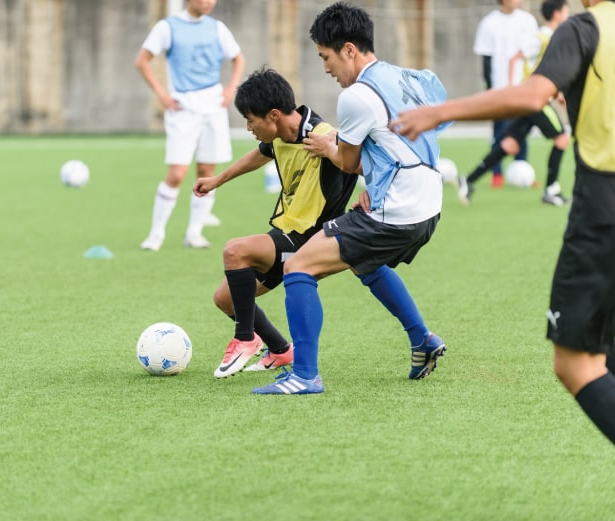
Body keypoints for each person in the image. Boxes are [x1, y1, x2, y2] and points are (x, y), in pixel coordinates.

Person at [391, 0, 615, 521]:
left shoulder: (583, 28)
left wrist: (441, 110)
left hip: (607, 214)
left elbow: (535, 94)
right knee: (602, 346)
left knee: (575, 362)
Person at [251, 2, 450, 395]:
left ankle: (304, 376)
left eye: (326, 57)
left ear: (349, 50)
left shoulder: (357, 96)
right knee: (363, 261)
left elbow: (348, 161)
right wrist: (377, 185)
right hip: (428, 203)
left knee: (299, 266)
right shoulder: (404, 76)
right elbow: (424, 129)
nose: (326, 68)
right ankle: (422, 339)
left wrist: (328, 146)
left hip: (399, 209)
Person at [193, 67, 359, 378]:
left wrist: (368, 198)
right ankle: (281, 351)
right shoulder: (282, 133)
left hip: (310, 240)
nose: (248, 127)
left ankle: (244, 339)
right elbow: (260, 154)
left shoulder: (323, 137)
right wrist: (218, 179)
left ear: (272, 115)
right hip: (284, 234)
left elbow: (358, 163)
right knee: (225, 299)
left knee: (235, 251)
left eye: (250, 120)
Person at [135, 0, 245, 251]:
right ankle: (156, 234)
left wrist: (231, 89)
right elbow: (142, 60)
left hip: (213, 106)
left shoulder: (217, 28)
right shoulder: (168, 27)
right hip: (183, 108)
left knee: (207, 172)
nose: (210, 3)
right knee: (176, 174)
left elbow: (238, 58)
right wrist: (162, 94)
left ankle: (194, 233)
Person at [459, 0, 571, 207]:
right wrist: (513, 85)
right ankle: (551, 190)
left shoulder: (550, 37)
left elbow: (544, 71)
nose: (568, 14)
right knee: (562, 139)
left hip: (532, 98)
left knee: (509, 144)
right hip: (533, 100)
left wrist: (556, 94)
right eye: (566, 10)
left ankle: (468, 180)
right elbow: (515, 57)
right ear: (557, 13)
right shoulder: (543, 37)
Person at [473, 0, 538, 188]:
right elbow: (486, 59)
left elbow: (534, 53)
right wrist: (490, 88)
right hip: (500, 88)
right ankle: (497, 174)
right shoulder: (488, 23)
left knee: (522, 131)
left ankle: (523, 171)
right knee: (500, 132)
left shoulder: (528, 20)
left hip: (524, 87)